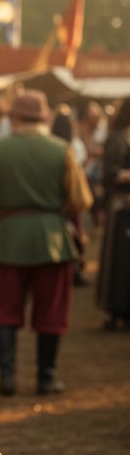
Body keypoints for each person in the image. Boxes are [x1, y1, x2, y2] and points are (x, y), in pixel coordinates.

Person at [0, 90, 93, 397]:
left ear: (14, 117)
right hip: (54, 240)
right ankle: (45, 379)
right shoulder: (61, 150)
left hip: (9, 238)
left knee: (4, 310)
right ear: (45, 117)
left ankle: (7, 378)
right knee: (51, 310)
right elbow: (81, 199)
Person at [96, 97, 130, 330]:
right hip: (122, 207)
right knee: (119, 263)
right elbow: (111, 175)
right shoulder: (118, 139)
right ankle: (118, 311)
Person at [51, 104, 89, 286]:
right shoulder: (73, 146)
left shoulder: (52, 145)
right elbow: (79, 173)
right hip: (70, 199)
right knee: (75, 235)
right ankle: (74, 271)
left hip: (55, 200)